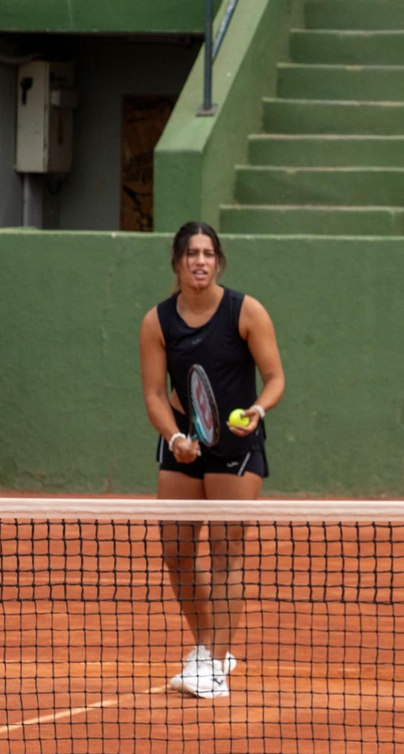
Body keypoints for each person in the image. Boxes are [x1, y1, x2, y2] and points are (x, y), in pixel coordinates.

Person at [139, 221, 286, 699]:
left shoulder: (246, 312)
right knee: (176, 553)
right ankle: (208, 648)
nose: (199, 261)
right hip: (183, 445)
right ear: (177, 263)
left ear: (217, 261)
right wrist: (176, 436)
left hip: (236, 448)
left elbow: (275, 377)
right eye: (190, 254)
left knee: (226, 552)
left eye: (207, 253)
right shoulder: (158, 322)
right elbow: (155, 395)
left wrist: (259, 410)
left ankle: (216, 662)